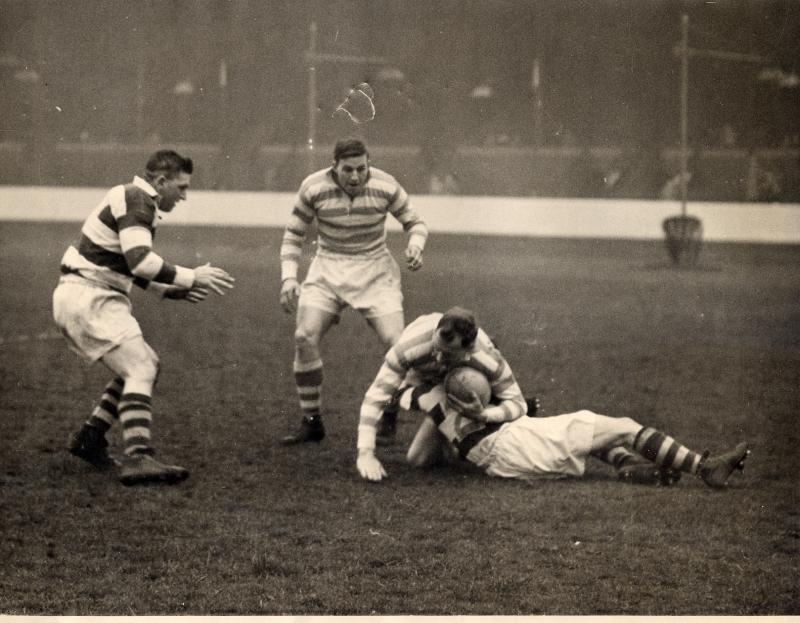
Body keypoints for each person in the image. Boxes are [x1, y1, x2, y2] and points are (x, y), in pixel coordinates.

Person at [356, 307, 750, 488]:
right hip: (513, 444)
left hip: (503, 447)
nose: (443, 359)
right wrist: (366, 452)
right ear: (433, 339)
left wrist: (482, 410)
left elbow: (514, 403)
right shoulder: (418, 364)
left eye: (455, 357)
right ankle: (704, 468)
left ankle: (632, 468)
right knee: (623, 427)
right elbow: (382, 395)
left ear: (470, 350)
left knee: (420, 458)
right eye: (439, 353)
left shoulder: (430, 387)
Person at [53, 149, 235, 485]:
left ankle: (90, 437)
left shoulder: (133, 198)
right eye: (181, 187)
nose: (184, 195)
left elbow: (125, 263)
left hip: (86, 293)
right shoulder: (138, 199)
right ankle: (138, 457)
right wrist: (192, 276)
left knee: (144, 364)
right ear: (161, 181)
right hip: (90, 297)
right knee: (141, 368)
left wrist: (169, 291)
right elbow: (141, 262)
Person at [279, 138, 428, 445]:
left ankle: (388, 412)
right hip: (328, 266)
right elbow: (294, 235)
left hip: (375, 268)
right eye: (348, 170)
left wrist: (415, 245)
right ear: (334, 166)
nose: (356, 177)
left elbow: (415, 223)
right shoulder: (313, 187)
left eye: (362, 168)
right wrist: (288, 278)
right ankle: (312, 422)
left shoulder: (386, 185)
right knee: (304, 337)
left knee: (395, 344)